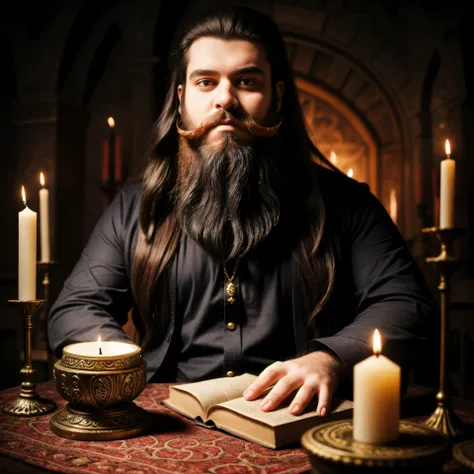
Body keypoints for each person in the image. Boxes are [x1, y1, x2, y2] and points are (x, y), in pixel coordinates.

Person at [48, 6, 437, 418]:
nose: (225, 99)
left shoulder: (346, 203)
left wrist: (331, 359)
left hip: (301, 421)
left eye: (247, 81)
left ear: (277, 96)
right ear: (181, 98)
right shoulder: (136, 205)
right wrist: (117, 363)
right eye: (206, 82)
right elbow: (76, 309)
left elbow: (408, 305)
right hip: (168, 423)